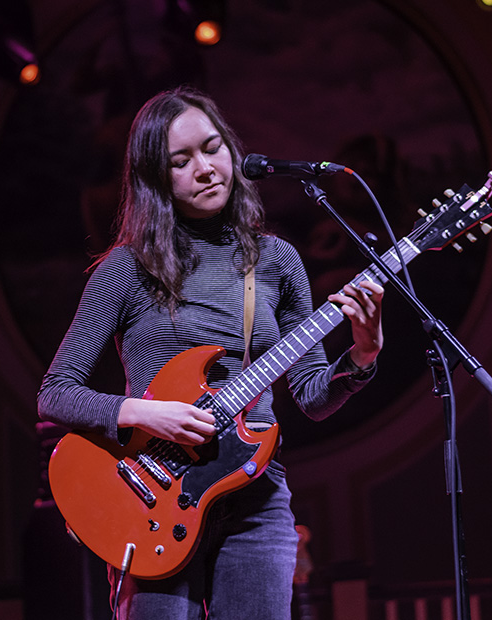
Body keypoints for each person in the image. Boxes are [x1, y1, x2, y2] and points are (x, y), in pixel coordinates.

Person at [37, 85, 384, 620]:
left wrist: (361, 355)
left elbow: (313, 397)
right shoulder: (126, 269)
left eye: (213, 147)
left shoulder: (277, 262)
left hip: (254, 501)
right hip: (151, 497)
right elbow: (55, 394)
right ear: (156, 177)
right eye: (181, 160)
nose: (205, 168)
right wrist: (147, 412)